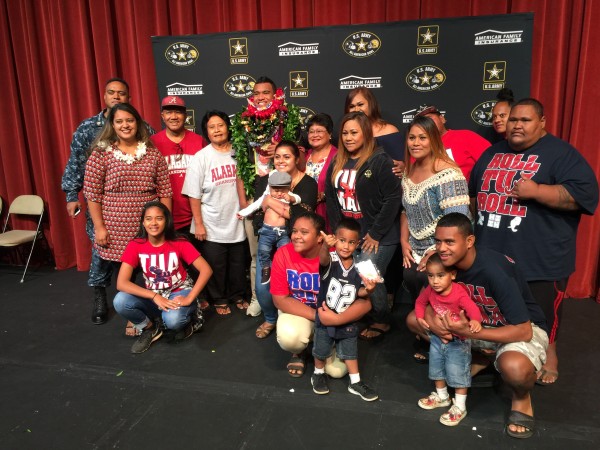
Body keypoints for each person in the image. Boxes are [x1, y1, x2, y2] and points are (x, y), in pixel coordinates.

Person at [469, 98, 599, 386]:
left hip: (540, 258)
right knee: (496, 310)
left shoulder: (561, 154)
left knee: (542, 316)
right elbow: (474, 196)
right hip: (494, 253)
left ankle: (550, 353)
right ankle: (490, 354)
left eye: (525, 120)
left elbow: (585, 197)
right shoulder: (492, 153)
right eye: (513, 119)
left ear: (541, 123)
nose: (517, 125)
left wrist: (538, 190)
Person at [408, 212, 549, 439]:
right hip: (473, 328)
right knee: (414, 321)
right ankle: (483, 357)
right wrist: (436, 325)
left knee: (514, 367)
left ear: (469, 241)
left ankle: (521, 400)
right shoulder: (446, 264)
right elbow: (427, 301)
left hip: (516, 330)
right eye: (438, 241)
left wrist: (469, 332)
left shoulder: (495, 270)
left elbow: (524, 330)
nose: (441, 248)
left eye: (450, 242)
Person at [62, 77, 155, 325]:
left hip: (137, 205)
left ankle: (134, 299)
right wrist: (72, 195)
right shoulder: (87, 128)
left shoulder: (142, 127)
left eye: (121, 93)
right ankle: (100, 295)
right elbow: (76, 163)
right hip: (101, 204)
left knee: (139, 252)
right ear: (104, 96)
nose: (116, 97)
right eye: (111, 93)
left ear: (129, 98)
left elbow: (153, 161)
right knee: (102, 250)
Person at [83, 103, 172, 325]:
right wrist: (99, 227)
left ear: (138, 123)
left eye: (130, 120)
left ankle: (155, 308)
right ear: (112, 125)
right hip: (116, 228)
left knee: (151, 270)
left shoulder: (152, 153)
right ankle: (133, 315)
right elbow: (92, 194)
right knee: (124, 274)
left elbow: (165, 191)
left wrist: (165, 225)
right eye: (119, 121)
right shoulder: (101, 155)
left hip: (148, 226)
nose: (125, 125)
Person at [326, 111, 402, 341]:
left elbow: (392, 198)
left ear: (366, 133)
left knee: (367, 270)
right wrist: (338, 232)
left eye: (354, 132)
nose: (349, 137)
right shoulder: (337, 161)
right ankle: (360, 312)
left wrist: (375, 233)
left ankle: (382, 318)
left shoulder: (380, 160)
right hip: (351, 233)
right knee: (351, 272)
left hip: (380, 234)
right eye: (345, 133)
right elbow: (332, 199)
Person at [231, 76, 301, 317]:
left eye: (266, 93)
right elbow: (241, 168)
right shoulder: (243, 125)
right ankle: (257, 297)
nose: (261, 97)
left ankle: (286, 301)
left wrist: (280, 144)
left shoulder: (288, 120)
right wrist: (244, 202)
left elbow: (297, 155)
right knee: (256, 255)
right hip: (254, 199)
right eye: (257, 93)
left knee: (285, 255)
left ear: (275, 95)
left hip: (281, 201)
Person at [271, 212, 365, 378]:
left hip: (335, 318)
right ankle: (298, 352)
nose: (296, 236)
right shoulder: (283, 253)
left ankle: (329, 344)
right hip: (302, 313)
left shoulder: (341, 258)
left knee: (336, 372)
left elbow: (366, 302)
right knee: (290, 337)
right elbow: (280, 299)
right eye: (294, 231)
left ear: (320, 238)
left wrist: (337, 320)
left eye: (304, 232)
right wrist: (319, 317)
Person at [113, 202, 212, 354]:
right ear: (143, 222)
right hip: (154, 295)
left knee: (173, 321)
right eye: (148, 219)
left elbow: (206, 270)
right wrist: (154, 296)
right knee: (120, 301)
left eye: (159, 218)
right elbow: (121, 283)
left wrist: (190, 298)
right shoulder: (136, 245)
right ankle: (150, 328)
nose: (153, 223)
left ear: (166, 221)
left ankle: (188, 321)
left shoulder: (179, 242)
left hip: (177, 292)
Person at [181, 110, 247, 315]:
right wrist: (198, 223)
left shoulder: (240, 152)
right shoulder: (201, 158)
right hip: (211, 222)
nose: (217, 130)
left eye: (220, 125)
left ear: (228, 127)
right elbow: (193, 194)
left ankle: (237, 294)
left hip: (236, 220)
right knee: (216, 265)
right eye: (212, 127)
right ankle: (219, 298)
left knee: (238, 263)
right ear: (206, 132)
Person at [401, 116, 471, 305]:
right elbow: (406, 210)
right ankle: (423, 328)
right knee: (411, 280)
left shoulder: (448, 174)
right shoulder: (409, 170)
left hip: (444, 249)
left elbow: (458, 222)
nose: (416, 143)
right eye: (412, 138)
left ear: (433, 139)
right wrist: (403, 240)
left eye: (422, 138)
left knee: (433, 290)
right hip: (414, 247)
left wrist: (436, 251)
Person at [254, 141, 318, 339]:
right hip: (267, 240)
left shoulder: (308, 183)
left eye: (287, 156)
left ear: (297, 159)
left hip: (293, 244)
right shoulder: (265, 181)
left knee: (289, 288)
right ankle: (270, 318)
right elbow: (259, 212)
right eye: (278, 157)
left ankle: (288, 320)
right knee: (263, 285)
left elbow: (301, 217)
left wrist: (271, 201)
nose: (281, 161)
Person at [311, 218, 379, 401]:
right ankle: (318, 373)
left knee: (350, 351)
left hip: (347, 318)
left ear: (357, 243)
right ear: (335, 239)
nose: (346, 246)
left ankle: (355, 382)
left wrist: (369, 289)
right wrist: (326, 246)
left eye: (351, 242)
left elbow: (360, 292)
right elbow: (323, 259)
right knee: (321, 348)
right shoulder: (331, 260)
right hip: (325, 315)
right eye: (342, 240)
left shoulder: (360, 267)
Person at [415, 252, 482, 426]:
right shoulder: (430, 290)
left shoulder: (458, 293)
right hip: (438, 338)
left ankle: (460, 406)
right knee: (436, 367)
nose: (435, 281)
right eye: (430, 276)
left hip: (458, 341)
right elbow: (420, 303)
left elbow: (473, 309)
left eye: (440, 275)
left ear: (453, 275)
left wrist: (475, 321)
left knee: (458, 372)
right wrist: (420, 317)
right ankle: (442, 396)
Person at [151, 95, 206, 235]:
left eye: (178, 112)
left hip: (196, 218)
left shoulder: (199, 141)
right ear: (162, 115)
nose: (173, 116)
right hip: (164, 218)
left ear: (185, 115)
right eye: (169, 112)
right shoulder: (152, 143)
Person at [415, 105, 490, 182]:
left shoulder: (466, 136)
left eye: (429, 118)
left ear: (442, 119)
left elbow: (491, 164)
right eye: (422, 122)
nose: (427, 124)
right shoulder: (417, 146)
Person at [344, 87, 405, 175]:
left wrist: (403, 166)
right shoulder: (346, 134)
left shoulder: (389, 130)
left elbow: (401, 164)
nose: (356, 110)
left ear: (371, 104)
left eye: (360, 104)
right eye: (352, 106)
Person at [305, 113, 337, 230]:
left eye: (319, 131)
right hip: (305, 216)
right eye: (311, 131)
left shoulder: (338, 156)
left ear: (329, 134)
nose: (315, 135)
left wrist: (324, 194)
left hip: (328, 214)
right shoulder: (304, 156)